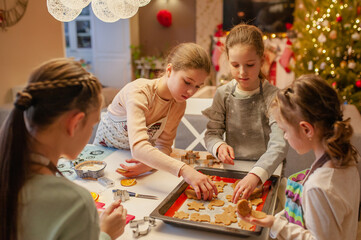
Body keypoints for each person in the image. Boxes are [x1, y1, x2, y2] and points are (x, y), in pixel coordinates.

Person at [0, 58, 127, 240]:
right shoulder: (74, 202)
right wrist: (104, 234)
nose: (91, 131)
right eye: (92, 125)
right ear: (74, 124)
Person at [239, 74, 360, 240]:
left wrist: (275, 224)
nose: (286, 137)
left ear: (307, 130)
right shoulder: (346, 157)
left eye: (285, 131)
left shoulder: (318, 187)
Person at [93, 42, 217, 200]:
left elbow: (164, 145)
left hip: (136, 163)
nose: (191, 91)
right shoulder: (139, 92)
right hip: (104, 160)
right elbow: (139, 147)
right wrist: (185, 170)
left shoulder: (179, 104)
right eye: (187, 82)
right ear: (170, 70)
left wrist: (148, 164)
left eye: (197, 86)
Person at [203, 23, 287, 202]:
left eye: (249, 65)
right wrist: (218, 146)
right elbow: (212, 133)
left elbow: (279, 144)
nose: (242, 72)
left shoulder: (273, 96)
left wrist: (256, 174)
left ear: (262, 60)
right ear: (227, 60)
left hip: (266, 172)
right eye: (235, 65)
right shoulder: (223, 94)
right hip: (232, 171)